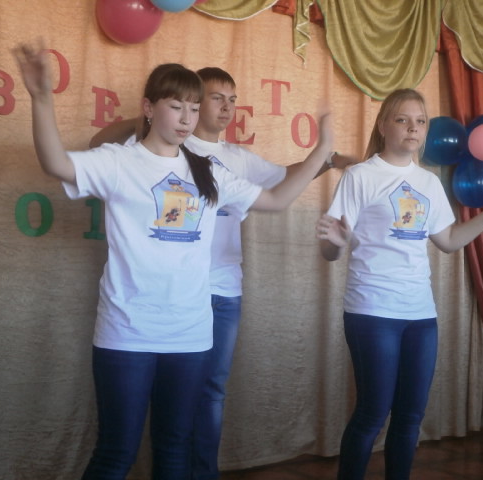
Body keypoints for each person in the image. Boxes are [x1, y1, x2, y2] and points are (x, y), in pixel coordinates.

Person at [14, 41, 333, 480]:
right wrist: (41, 98)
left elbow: (276, 200)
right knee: (116, 452)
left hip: (190, 334)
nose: (187, 118)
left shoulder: (207, 170)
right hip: (127, 331)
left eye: (193, 108)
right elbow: (55, 164)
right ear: (148, 108)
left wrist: (322, 148)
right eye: (176, 106)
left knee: (174, 449)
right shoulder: (120, 162)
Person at [90, 67, 355, 480]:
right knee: (135, 431)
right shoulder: (160, 143)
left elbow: (282, 184)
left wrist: (328, 157)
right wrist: (150, 115)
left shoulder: (235, 159)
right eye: (215, 98)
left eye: (232, 100)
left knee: (209, 394)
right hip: (161, 300)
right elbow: (96, 148)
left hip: (222, 290)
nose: (226, 107)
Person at [316, 88, 483, 480]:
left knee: (410, 417)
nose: (412, 128)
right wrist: (335, 244)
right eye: (402, 120)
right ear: (383, 126)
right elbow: (331, 250)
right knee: (372, 412)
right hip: (372, 310)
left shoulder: (429, 182)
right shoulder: (360, 176)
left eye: (420, 121)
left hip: (420, 315)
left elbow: (448, 241)